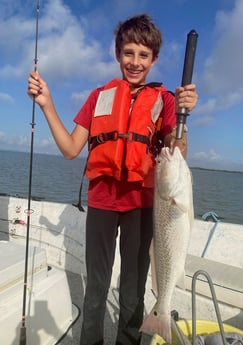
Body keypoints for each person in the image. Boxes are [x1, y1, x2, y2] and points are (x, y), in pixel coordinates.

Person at [27, 13, 198, 345]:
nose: (135, 62)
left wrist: (183, 116)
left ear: (154, 59)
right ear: (118, 53)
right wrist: (47, 104)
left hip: (142, 204)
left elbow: (178, 152)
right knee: (96, 288)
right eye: (128, 53)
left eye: (143, 55)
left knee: (133, 290)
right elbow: (70, 148)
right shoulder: (98, 97)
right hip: (103, 201)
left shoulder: (164, 101)